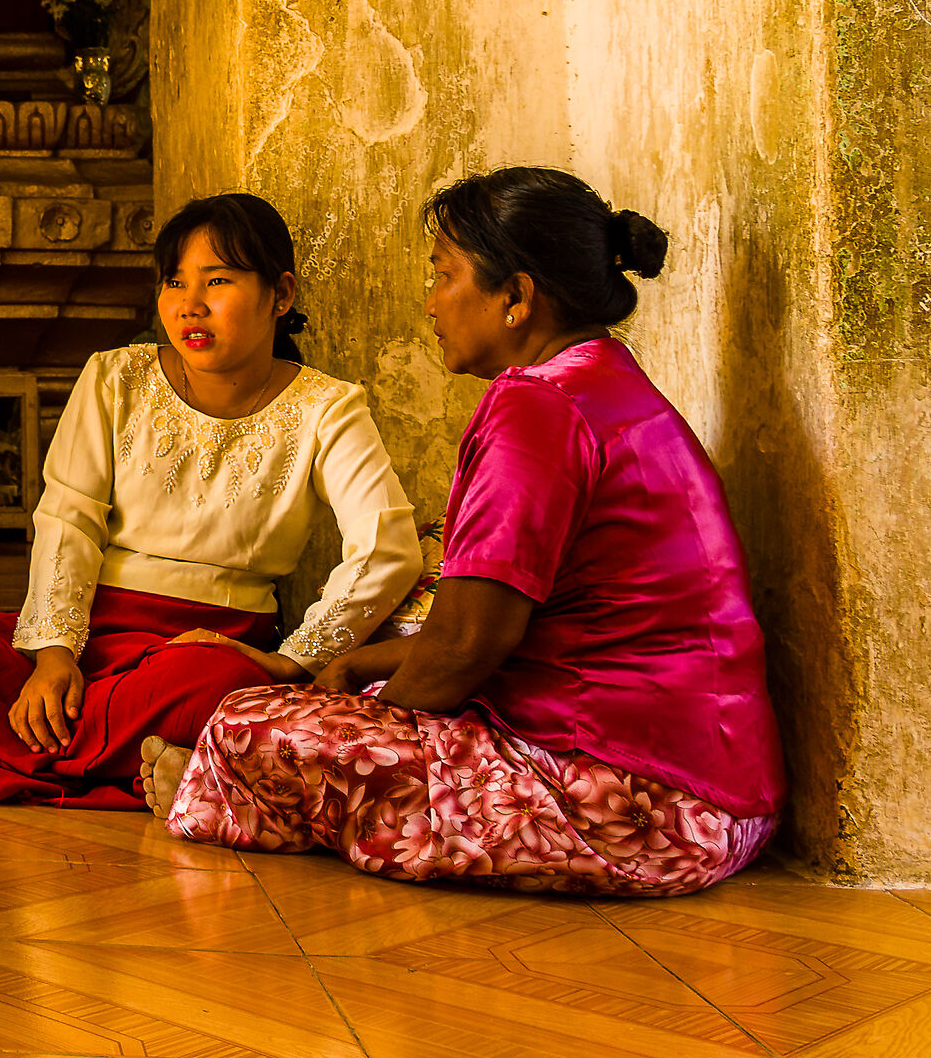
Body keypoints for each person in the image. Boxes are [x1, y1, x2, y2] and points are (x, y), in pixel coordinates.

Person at [168, 168, 785, 896]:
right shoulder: (606, 379)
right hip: (722, 793)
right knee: (316, 703)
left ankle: (219, 788)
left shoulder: (538, 407)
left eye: (444, 275)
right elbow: (476, 632)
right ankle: (248, 788)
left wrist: (357, 722)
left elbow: (468, 646)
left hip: (638, 808)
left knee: (249, 724)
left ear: (516, 297)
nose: (430, 303)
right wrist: (363, 667)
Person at [0, 193, 420, 809]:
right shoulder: (114, 377)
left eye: (219, 280)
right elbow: (67, 520)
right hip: (89, 640)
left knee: (220, 688)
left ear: (281, 296)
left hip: (202, 652)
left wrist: (292, 663)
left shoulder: (326, 408)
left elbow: (387, 549)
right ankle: (137, 761)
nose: (190, 306)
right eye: (174, 282)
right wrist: (52, 656)